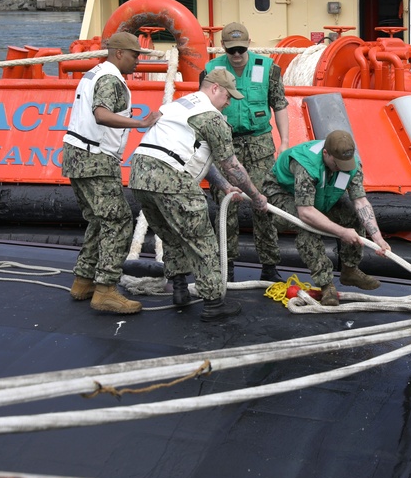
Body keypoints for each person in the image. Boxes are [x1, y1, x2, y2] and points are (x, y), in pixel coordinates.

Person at [129, 69, 270, 322]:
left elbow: (200, 155)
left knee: (171, 235)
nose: (228, 104)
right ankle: (214, 302)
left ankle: (180, 289)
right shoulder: (212, 118)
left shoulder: (178, 105)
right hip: (171, 178)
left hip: (139, 175)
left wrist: (225, 187)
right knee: (203, 241)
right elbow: (232, 166)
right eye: (227, 97)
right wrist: (256, 196)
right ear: (215, 89)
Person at [62, 31, 160, 314]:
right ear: (119, 53)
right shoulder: (111, 78)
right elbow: (101, 114)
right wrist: (140, 122)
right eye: (134, 55)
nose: (138, 61)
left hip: (76, 155)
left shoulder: (94, 73)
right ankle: (105, 289)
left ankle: (84, 280)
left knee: (97, 219)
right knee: (117, 222)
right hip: (96, 159)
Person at [202, 21, 289, 285]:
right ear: (223, 49)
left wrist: (285, 141)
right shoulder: (211, 70)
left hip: (260, 145)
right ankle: (226, 265)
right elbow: (204, 108)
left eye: (241, 49)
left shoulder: (268, 68)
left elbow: (280, 103)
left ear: (249, 45)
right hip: (224, 145)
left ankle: (269, 265)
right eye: (231, 50)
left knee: (264, 205)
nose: (237, 55)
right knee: (225, 208)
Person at [262, 130, 390, 307]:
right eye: (336, 164)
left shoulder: (350, 164)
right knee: (307, 227)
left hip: (321, 195)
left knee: (353, 217)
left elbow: (360, 202)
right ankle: (326, 284)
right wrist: (341, 232)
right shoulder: (306, 165)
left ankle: (349, 270)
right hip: (283, 193)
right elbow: (306, 212)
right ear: (325, 154)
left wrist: (378, 238)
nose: (341, 168)